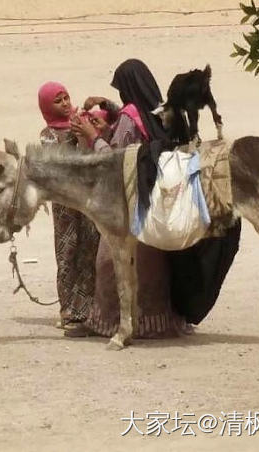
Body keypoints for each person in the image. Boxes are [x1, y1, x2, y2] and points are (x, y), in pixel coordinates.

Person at [71, 59, 189, 338]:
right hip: (156, 203)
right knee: (152, 265)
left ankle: (109, 323)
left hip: (130, 204)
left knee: (108, 263)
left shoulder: (128, 116)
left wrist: (92, 136)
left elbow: (116, 161)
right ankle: (156, 323)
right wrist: (111, 112)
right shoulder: (161, 112)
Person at [38, 81, 100, 337]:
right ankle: (68, 309)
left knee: (90, 249)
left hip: (86, 199)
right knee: (67, 253)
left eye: (66, 98)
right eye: (58, 100)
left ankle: (87, 307)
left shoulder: (82, 120)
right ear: (47, 107)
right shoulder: (48, 134)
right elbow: (58, 161)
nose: (64, 103)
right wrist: (77, 135)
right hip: (64, 203)